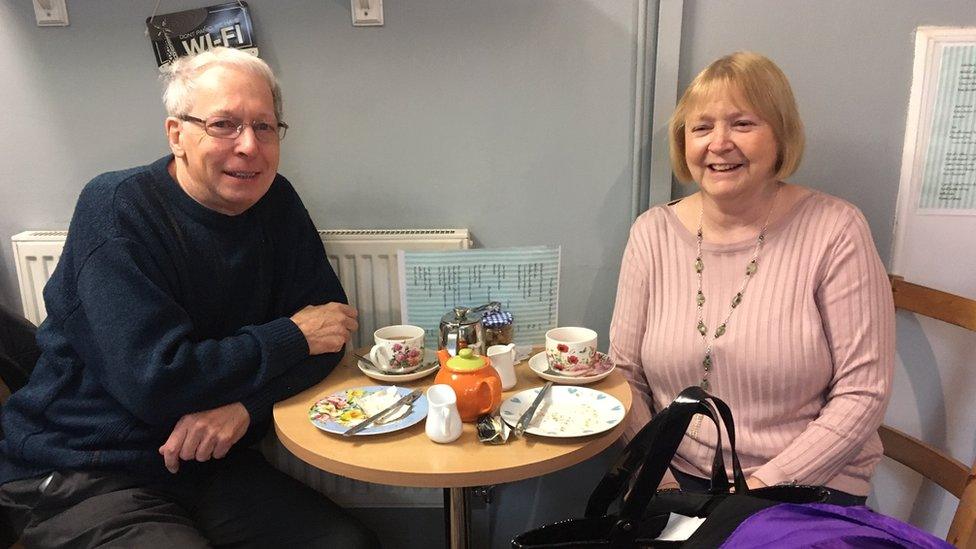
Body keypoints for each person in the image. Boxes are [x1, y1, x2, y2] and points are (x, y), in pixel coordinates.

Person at [0, 47, 379, 547]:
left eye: (265, 127)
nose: (249, 146)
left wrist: (247, 406)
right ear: (177, 134)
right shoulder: (116, 209)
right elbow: (159, 380)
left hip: (209, 464)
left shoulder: (276, 201)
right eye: (224, 124)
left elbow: (328, 334)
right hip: (87, 471)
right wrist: (291, 336)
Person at [609, 51, 894, 506]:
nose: (719, 143)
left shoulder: (836, 229)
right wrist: (656, 479)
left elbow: (863, 393)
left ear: (781, 135)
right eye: (701, 128)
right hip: (676, 480)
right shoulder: (652, 232)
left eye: (742, 124)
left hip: (803, 486)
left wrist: (754, 495)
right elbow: (623, 375)